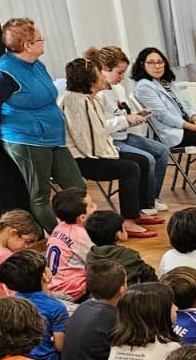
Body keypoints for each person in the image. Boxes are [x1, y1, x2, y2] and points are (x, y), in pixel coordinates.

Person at [0, 18, 78, 231]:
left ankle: (79, 231)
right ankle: (61, 238)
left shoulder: (36, 64)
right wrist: (12, 125)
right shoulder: (3, 73)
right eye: (39, 39)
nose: (44, 41)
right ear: (27, 46)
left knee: (77, 187)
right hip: (28, 140)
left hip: (53, 137)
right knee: (40, 195)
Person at [57, 57, 159, 238]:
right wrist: (111, 154)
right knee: (130, 168)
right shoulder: (75, 101)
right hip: (82, 158)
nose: (104, 77)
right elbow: (85, 141)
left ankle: (137, 212)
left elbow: (99, 131)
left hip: (96, 153)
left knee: (141, 160)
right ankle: (127, 221)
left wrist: (111, 151)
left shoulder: (91, 99)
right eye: (99, 74)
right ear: (89, 79)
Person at [88, 45, 172, 213]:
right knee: (146, 158)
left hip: (124, 135)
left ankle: (152, 197)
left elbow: (122, 113)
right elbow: (101, 126)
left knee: (162, 150)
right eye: (119, 73)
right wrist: (126, 119)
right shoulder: (99, 94)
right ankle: (144, 204)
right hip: (110, 140)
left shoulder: (118, 88)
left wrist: (135, 115)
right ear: (104, 69)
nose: (122, 77)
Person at [130, 46, 196, 170]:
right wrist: (195, 128)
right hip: (172, 131)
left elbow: (186, 104)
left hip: (188, 125)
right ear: (142, 64)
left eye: (160, 62)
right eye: (151, 63)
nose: (157, 66)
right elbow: (163, 115)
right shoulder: (144, 86)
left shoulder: (166, 82)